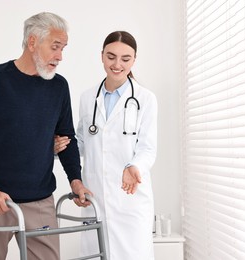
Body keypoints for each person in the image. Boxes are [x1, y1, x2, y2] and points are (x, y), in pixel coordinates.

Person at [0, 12, 91, 260]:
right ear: (32, 42)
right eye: (55, 47)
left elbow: (66, 137)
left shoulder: (59, 87)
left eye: (63, 48)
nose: (60, 56)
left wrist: (75, 180)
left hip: (39, 201)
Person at [55, 31, 157, 259]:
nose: (117, 64)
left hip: (129, 201)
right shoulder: (88, 98)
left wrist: (134, 167)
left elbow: (147, 148)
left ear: (134, 59)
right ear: (101, 56)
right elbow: (82, 142)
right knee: (96, 254)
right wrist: (57, 147)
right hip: (96, 199)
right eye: (111, 57)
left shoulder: (146, 99)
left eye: (125, 58)